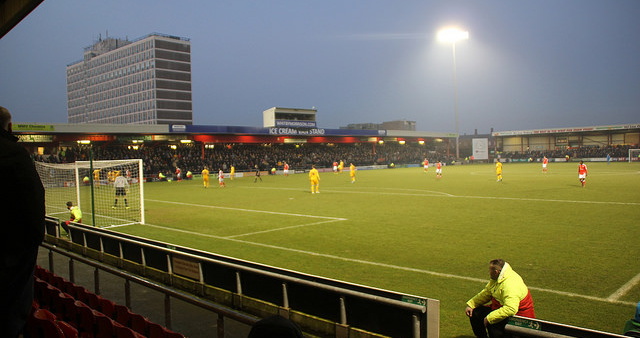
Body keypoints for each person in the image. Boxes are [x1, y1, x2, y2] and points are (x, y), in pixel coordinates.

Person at [0, 106, 46, 338]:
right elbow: (33, 201)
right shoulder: (15, 154)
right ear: (10, 126)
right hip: (12, 251)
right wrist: (33, 241)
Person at [465, 259, 535, 338]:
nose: (489, 272)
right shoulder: (498, 278)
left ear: (496, 272)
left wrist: (490, 318)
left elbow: (511, 309)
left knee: (493, 325)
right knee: (475, 312)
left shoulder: (510, 285)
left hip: (518, 317)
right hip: (502, 309)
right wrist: (471, 304)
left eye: (490, 270)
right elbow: (487, 292)